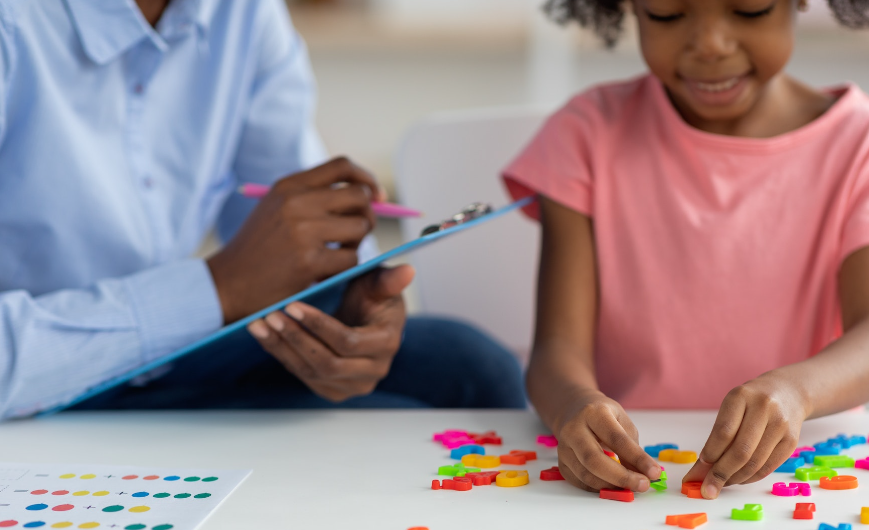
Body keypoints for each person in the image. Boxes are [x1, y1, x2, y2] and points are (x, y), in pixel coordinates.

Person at [502, 0, 869, 499]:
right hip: (632, 475)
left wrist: (796, 392)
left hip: (803, 473)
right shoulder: (585, 132)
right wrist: (573, 406)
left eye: (750, 9)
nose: (710, 44)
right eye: (667, 15)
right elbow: (555, 352)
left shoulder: (867, 145)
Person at [0, 0, 526, 419]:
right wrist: (219, 289)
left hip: (169, 356)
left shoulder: (242, 12)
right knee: (379, 428)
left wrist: (353, 313)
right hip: (39, 374)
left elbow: (302, 233)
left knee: (473, 365)